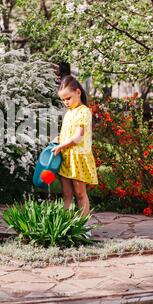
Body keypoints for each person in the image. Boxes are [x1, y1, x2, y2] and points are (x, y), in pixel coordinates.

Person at [52, 75, 98, 216]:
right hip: (66, 157)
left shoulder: (84, 111)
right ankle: (66, 224)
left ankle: (83, 227)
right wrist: (59, 139)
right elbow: (69, 133)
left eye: (68, 98)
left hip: (78, 157)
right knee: (66, 194)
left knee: (80, 193)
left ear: (78, 92)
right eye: (63, 100)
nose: (66, 102)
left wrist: (61, 146)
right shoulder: (69, 113)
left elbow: (78, 137)